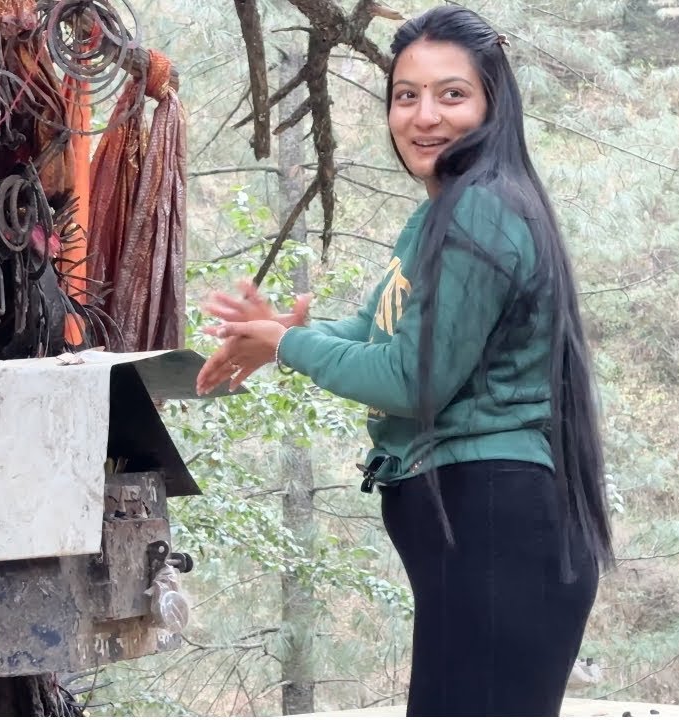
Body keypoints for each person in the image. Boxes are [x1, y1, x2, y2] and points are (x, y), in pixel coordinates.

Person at [195, 5, 614, 717]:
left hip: (498, 534)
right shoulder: (442, 214)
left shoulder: (482, 211)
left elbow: (407, 380)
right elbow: (376, 331)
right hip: (482, 540)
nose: (425, 116)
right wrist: (281, 337)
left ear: (493, 103)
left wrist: (286, 344)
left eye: (452, 94)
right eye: (406, 95)